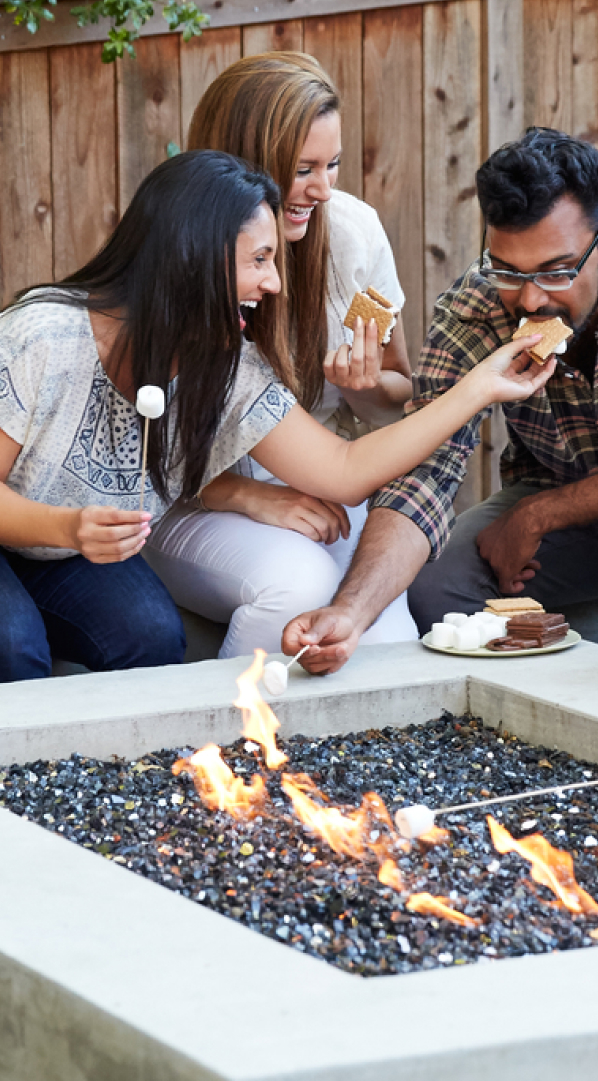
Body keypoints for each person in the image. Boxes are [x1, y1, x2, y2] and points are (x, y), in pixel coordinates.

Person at [0, 151, 554, 683]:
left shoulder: (223, 363)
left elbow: (343, 468)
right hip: (31, 533)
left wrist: (479, 388)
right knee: (13, 645)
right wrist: (67, 527)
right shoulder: (45, 337)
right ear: (194, 256)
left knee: (149, 635)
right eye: (259, 260)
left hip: (63, 552)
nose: (274, 284)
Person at [282, 127, 598, 682]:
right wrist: (350, 613)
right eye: (508, 271)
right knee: (438, 583)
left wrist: (538, 514)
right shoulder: (475, 307)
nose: (530, 299)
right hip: (565, 484)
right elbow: (422, 473)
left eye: (556, 271)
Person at [144, 52, 418, 657]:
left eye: (334, 165)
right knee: (302, 586)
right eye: (302, 169)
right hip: (183, 491)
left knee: (388, 636)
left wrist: (361, 386)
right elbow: (133, 448)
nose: (322, 189)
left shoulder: (351, 234)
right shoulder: (176, 251)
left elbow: (401, 393)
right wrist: (244, 494)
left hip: (320, 476)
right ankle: (217, 743)